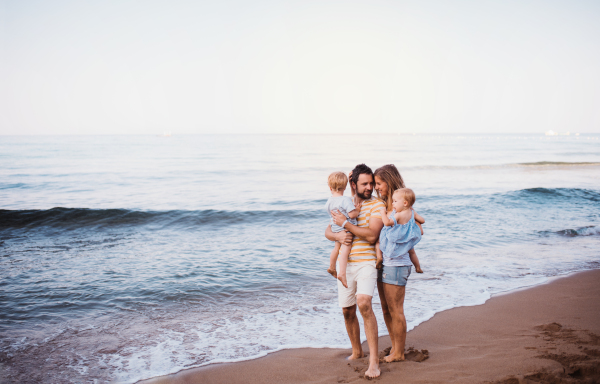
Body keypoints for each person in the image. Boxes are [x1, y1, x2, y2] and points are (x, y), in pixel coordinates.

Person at [326, 164, 384, 379]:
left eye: (371, 183)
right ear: (353, 184)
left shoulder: (377, 205)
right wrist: (338, 236)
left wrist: (346, 226)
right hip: (347, 263)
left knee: (364, 303)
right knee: (347, 310)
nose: (370, 187)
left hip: (367, 262)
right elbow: (328, 230)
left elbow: (371, 235)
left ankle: (374, 362)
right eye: (364, 183)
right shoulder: (343, 202)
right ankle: (357, 350)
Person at [373, 164, 425, 363]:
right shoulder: (391, 205)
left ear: (389, 181)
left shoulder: (404, 207)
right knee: (387, 309)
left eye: (379, 183)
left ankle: (399, 352)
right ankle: (395, 348)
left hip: (397, 263)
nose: (377, 187)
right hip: (385, 262)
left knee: (396, 309)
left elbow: (419, 230)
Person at [325, 171, 362, 288]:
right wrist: (358, 210)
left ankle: (331, 267)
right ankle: (341, 273)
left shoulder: (329, 201)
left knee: (336, 248)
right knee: (345, 249)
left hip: (335, 227)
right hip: (345, 229)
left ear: (330, 187)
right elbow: (351, 215)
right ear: (345, 186)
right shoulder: (345, 200)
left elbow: (330, 213)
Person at [377, 188, 424, 273]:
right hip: (407, 237)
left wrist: (383, 213)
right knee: (412, 252)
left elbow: (387, 223)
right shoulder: (412, 213)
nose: (392, 203)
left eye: (395, 201)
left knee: (382, 243)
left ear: (405, 203)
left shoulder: (398, 215)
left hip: (396, 236)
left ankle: (380, 257)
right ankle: (417, 267)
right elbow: (423, 220)